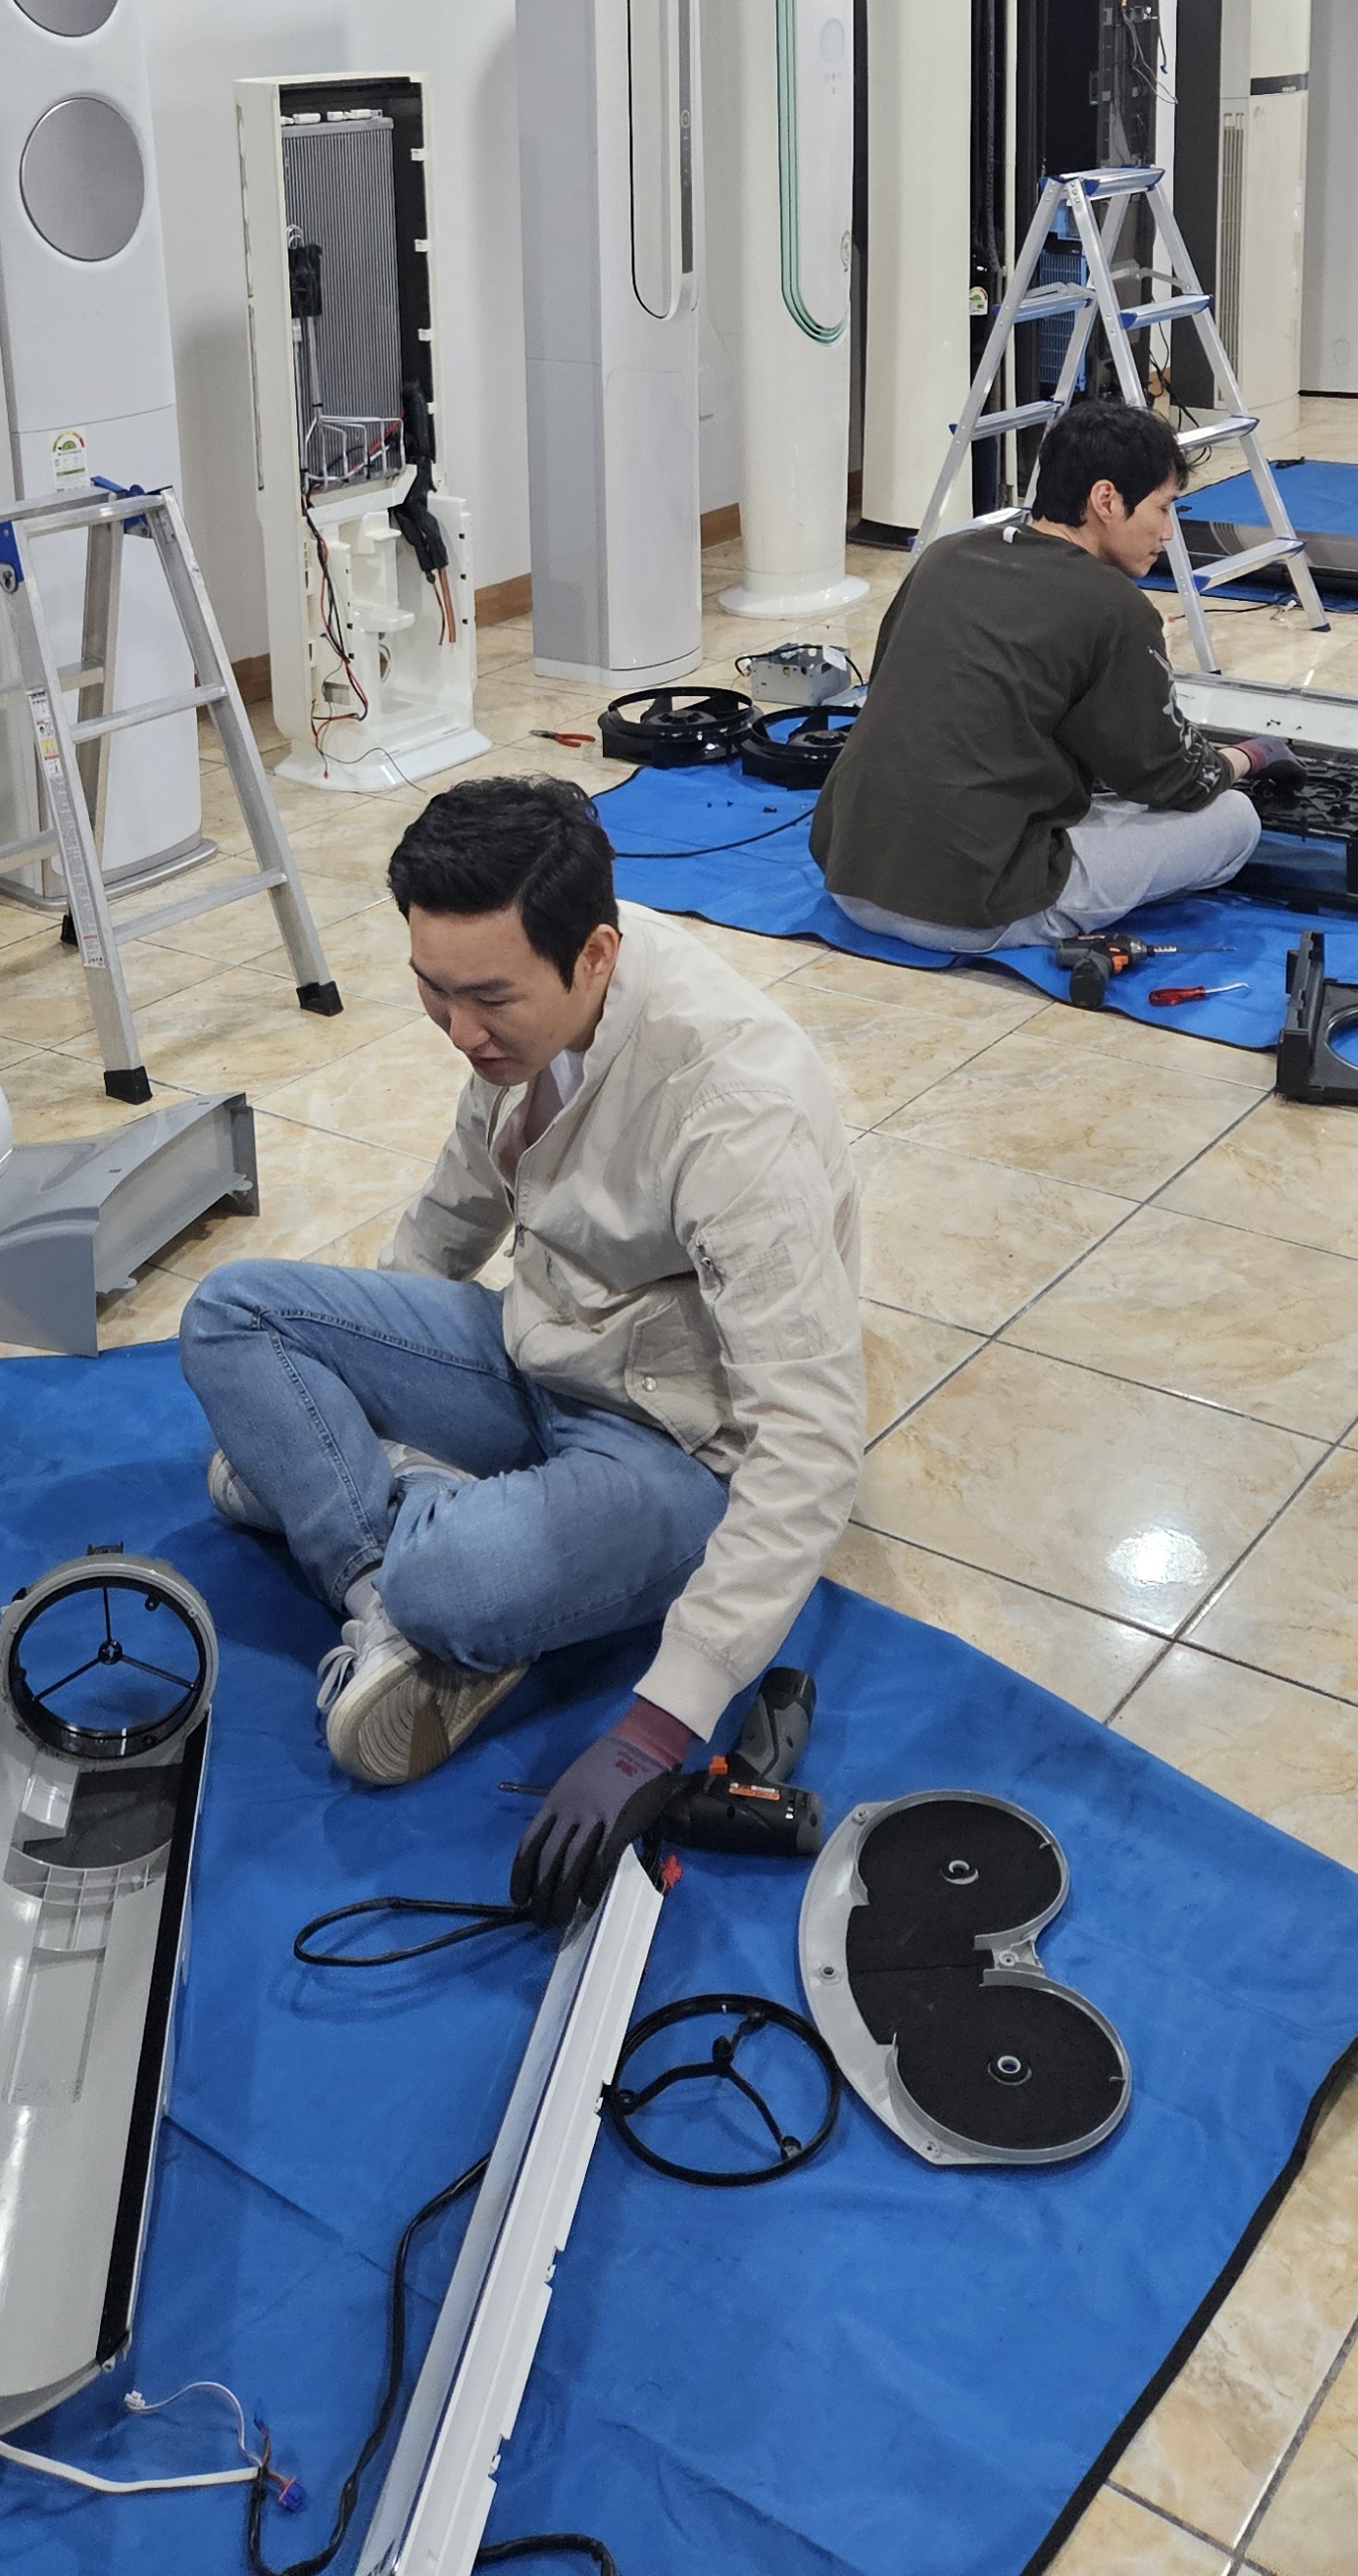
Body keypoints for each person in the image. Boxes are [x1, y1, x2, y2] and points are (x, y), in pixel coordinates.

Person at [178, 777, 862, 1920]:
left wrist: (661, 1723)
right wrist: (362, 1377)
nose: (460, 1031)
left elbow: (813, 1441)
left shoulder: (738, 1107)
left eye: (489, 999)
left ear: (595, 955)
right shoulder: (518, 1005)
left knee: (444, 1577)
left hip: (676, 1444)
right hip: (540, 1350)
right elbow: (453, 1213)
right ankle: (382, 1591)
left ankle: (387, 1531)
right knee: (230, 1311)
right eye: (432, 990)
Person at [811, 397, 1272, 954]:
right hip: (970, 910)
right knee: (1233, 820)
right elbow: (1171, 779)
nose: (1169, 532)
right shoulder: (1115, 608)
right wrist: (1249, 757)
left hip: (850, 877)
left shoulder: (944, 556)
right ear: (1106, 500)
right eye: (1163, 507)